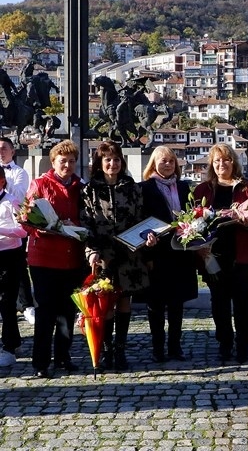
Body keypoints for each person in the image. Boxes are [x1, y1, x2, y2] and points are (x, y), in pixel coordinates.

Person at [81, 141, 157, 371]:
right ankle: (106, 350)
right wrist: (91, 251)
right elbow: (86, 225)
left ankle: (120, 349)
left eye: (116, 160)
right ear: (100, 163)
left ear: (121, 163)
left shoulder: (132, 187)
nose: (112, 164)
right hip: (103, 255)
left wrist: (149, 238)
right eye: (107, 160)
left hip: (130, 254)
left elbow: (142, 219)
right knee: (105, 305)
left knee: (125, 302)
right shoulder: (90, 190)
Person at [193, 144, 248, 363]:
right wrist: (198, 244)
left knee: (244, 302)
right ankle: (224, 342)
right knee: (219, 302)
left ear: (234, 162)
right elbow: (192, 223)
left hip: (243, 253)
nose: (222, 164)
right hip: (214, 254)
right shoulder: (202, 190)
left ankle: (243, 343)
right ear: (211, 165)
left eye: (226, 160)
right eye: (217, 161)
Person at [25, 140, 87, 378]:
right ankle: (41, 362)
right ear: (53, 162)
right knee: (45, 312)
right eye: (63, 161)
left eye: (72, 161)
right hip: (44, 258)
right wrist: (45, 228)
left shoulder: (80, 186)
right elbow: (26, 218)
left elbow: (88, 215)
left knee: (67, 312)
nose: (68, 165)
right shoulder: (40, 184)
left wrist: (76, 226)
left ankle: (63, 356)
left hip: (72, 257)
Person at [140, 146, 198, 363]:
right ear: (154, 164)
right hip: (156, 252)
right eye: (163, 161)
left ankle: (175, 346)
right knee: (155, 305)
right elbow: (140, 219)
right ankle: (157, 348)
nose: (167, 164)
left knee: (176, 304)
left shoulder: (184, 187)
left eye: (171, 161)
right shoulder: (145, 188)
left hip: (180, 252)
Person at [0, 137, 34, 326]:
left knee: (20, 270)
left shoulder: (20, 172)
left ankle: (27, 306)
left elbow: (19, 195)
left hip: (14, 228)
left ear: (12, 151)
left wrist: (4, 186)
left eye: (4, 148)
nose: (1, 151)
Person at [0, 166, 27, 368]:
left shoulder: (11, 202)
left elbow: (23, 230)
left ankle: (9, 347)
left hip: (9, 255)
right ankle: (15, 342)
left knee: (7, 302)